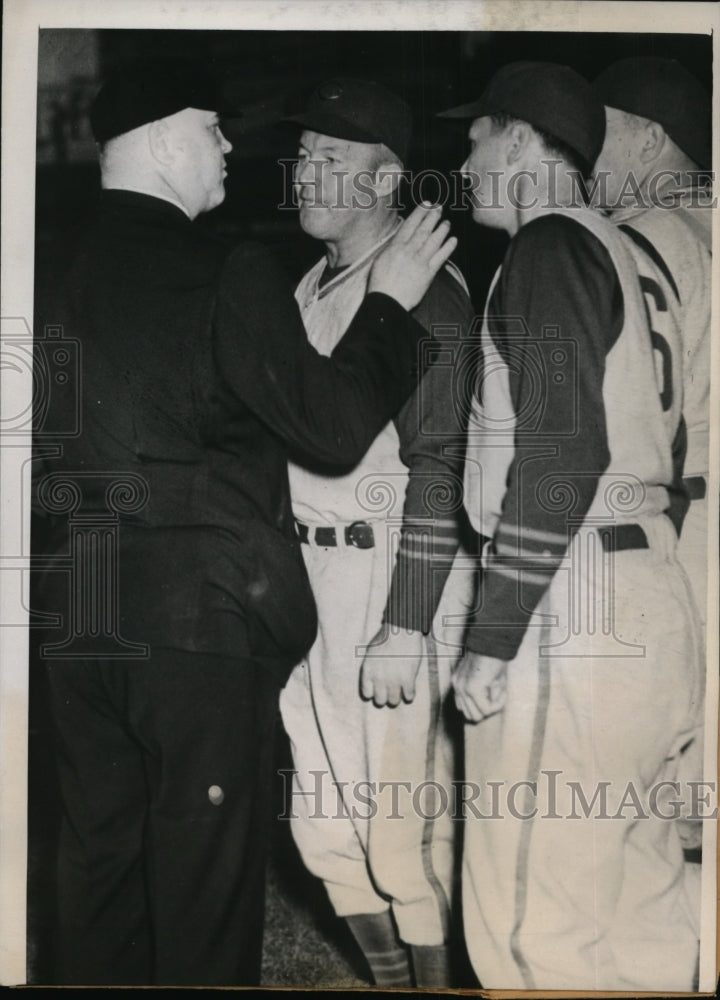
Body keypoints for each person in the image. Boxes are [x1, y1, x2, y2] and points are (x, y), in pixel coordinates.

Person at [31, 60, 456, 987]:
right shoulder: (229, 267)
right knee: (202, 884)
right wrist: (393, 305)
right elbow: (336, 428)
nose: (232, 148)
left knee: (98, 860)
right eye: (215, 130)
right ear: (170, 141)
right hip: (197, 624)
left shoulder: (43, 259)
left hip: (75, 606)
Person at [439, 61, 703, 990]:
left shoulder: (549, 245)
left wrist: (492, 636)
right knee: (638, 905)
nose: (462, 159)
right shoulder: (625, 250)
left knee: (532, 934)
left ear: (518, 139)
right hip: (649, 588)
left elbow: (559, 454)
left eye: (474, 138)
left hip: (574, 602)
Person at [277, 78, 474, 989]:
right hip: (307, 582)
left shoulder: (427, 289)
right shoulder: (309, 282)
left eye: (333, 160)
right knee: (323, 830)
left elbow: (437, 464)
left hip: (390, 576)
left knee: (404, 839)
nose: (305, 174)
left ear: (389, 178)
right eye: (304, 154)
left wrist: (405, 622)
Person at [592, 54, 713, 905]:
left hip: (688, 516)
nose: (583, 153)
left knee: (671, 785)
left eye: (598, 132)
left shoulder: (640, 234)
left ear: (650, 135)